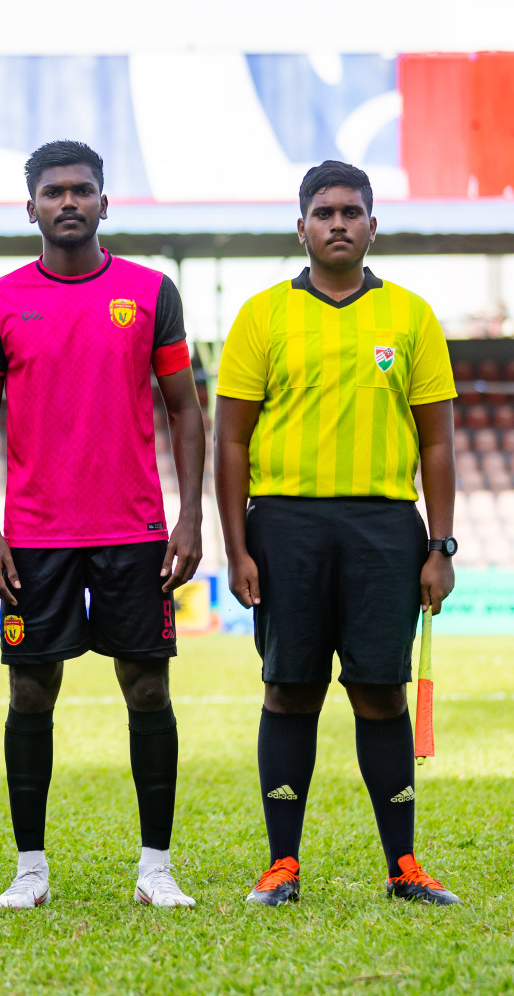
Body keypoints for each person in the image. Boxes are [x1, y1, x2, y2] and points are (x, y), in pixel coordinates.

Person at [0, 140, 205, 910]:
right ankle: (29, 870)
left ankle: (156, 867)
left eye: (83, 191)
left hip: (132, 530)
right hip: (34, 536)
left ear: (106, 202)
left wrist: (190, 516)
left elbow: (185, 411)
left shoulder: (150, 291)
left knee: (148, 692)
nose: (69, 202)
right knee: (30, 693)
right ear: (29, 206)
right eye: (54, 192)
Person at [215, 160, 461, 906]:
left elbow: (439, 445)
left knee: (379, 695)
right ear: (302, 227)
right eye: (324, 213)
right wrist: (237, 547)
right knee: (289, 691)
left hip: (385, 528)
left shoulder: (412, 316)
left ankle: (404, 866)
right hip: (285, 526)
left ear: (372, 225)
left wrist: (440, 546)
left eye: (352, 212)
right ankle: (282, 866)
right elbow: (230, 443)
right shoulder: (261, 316)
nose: (338, 223)